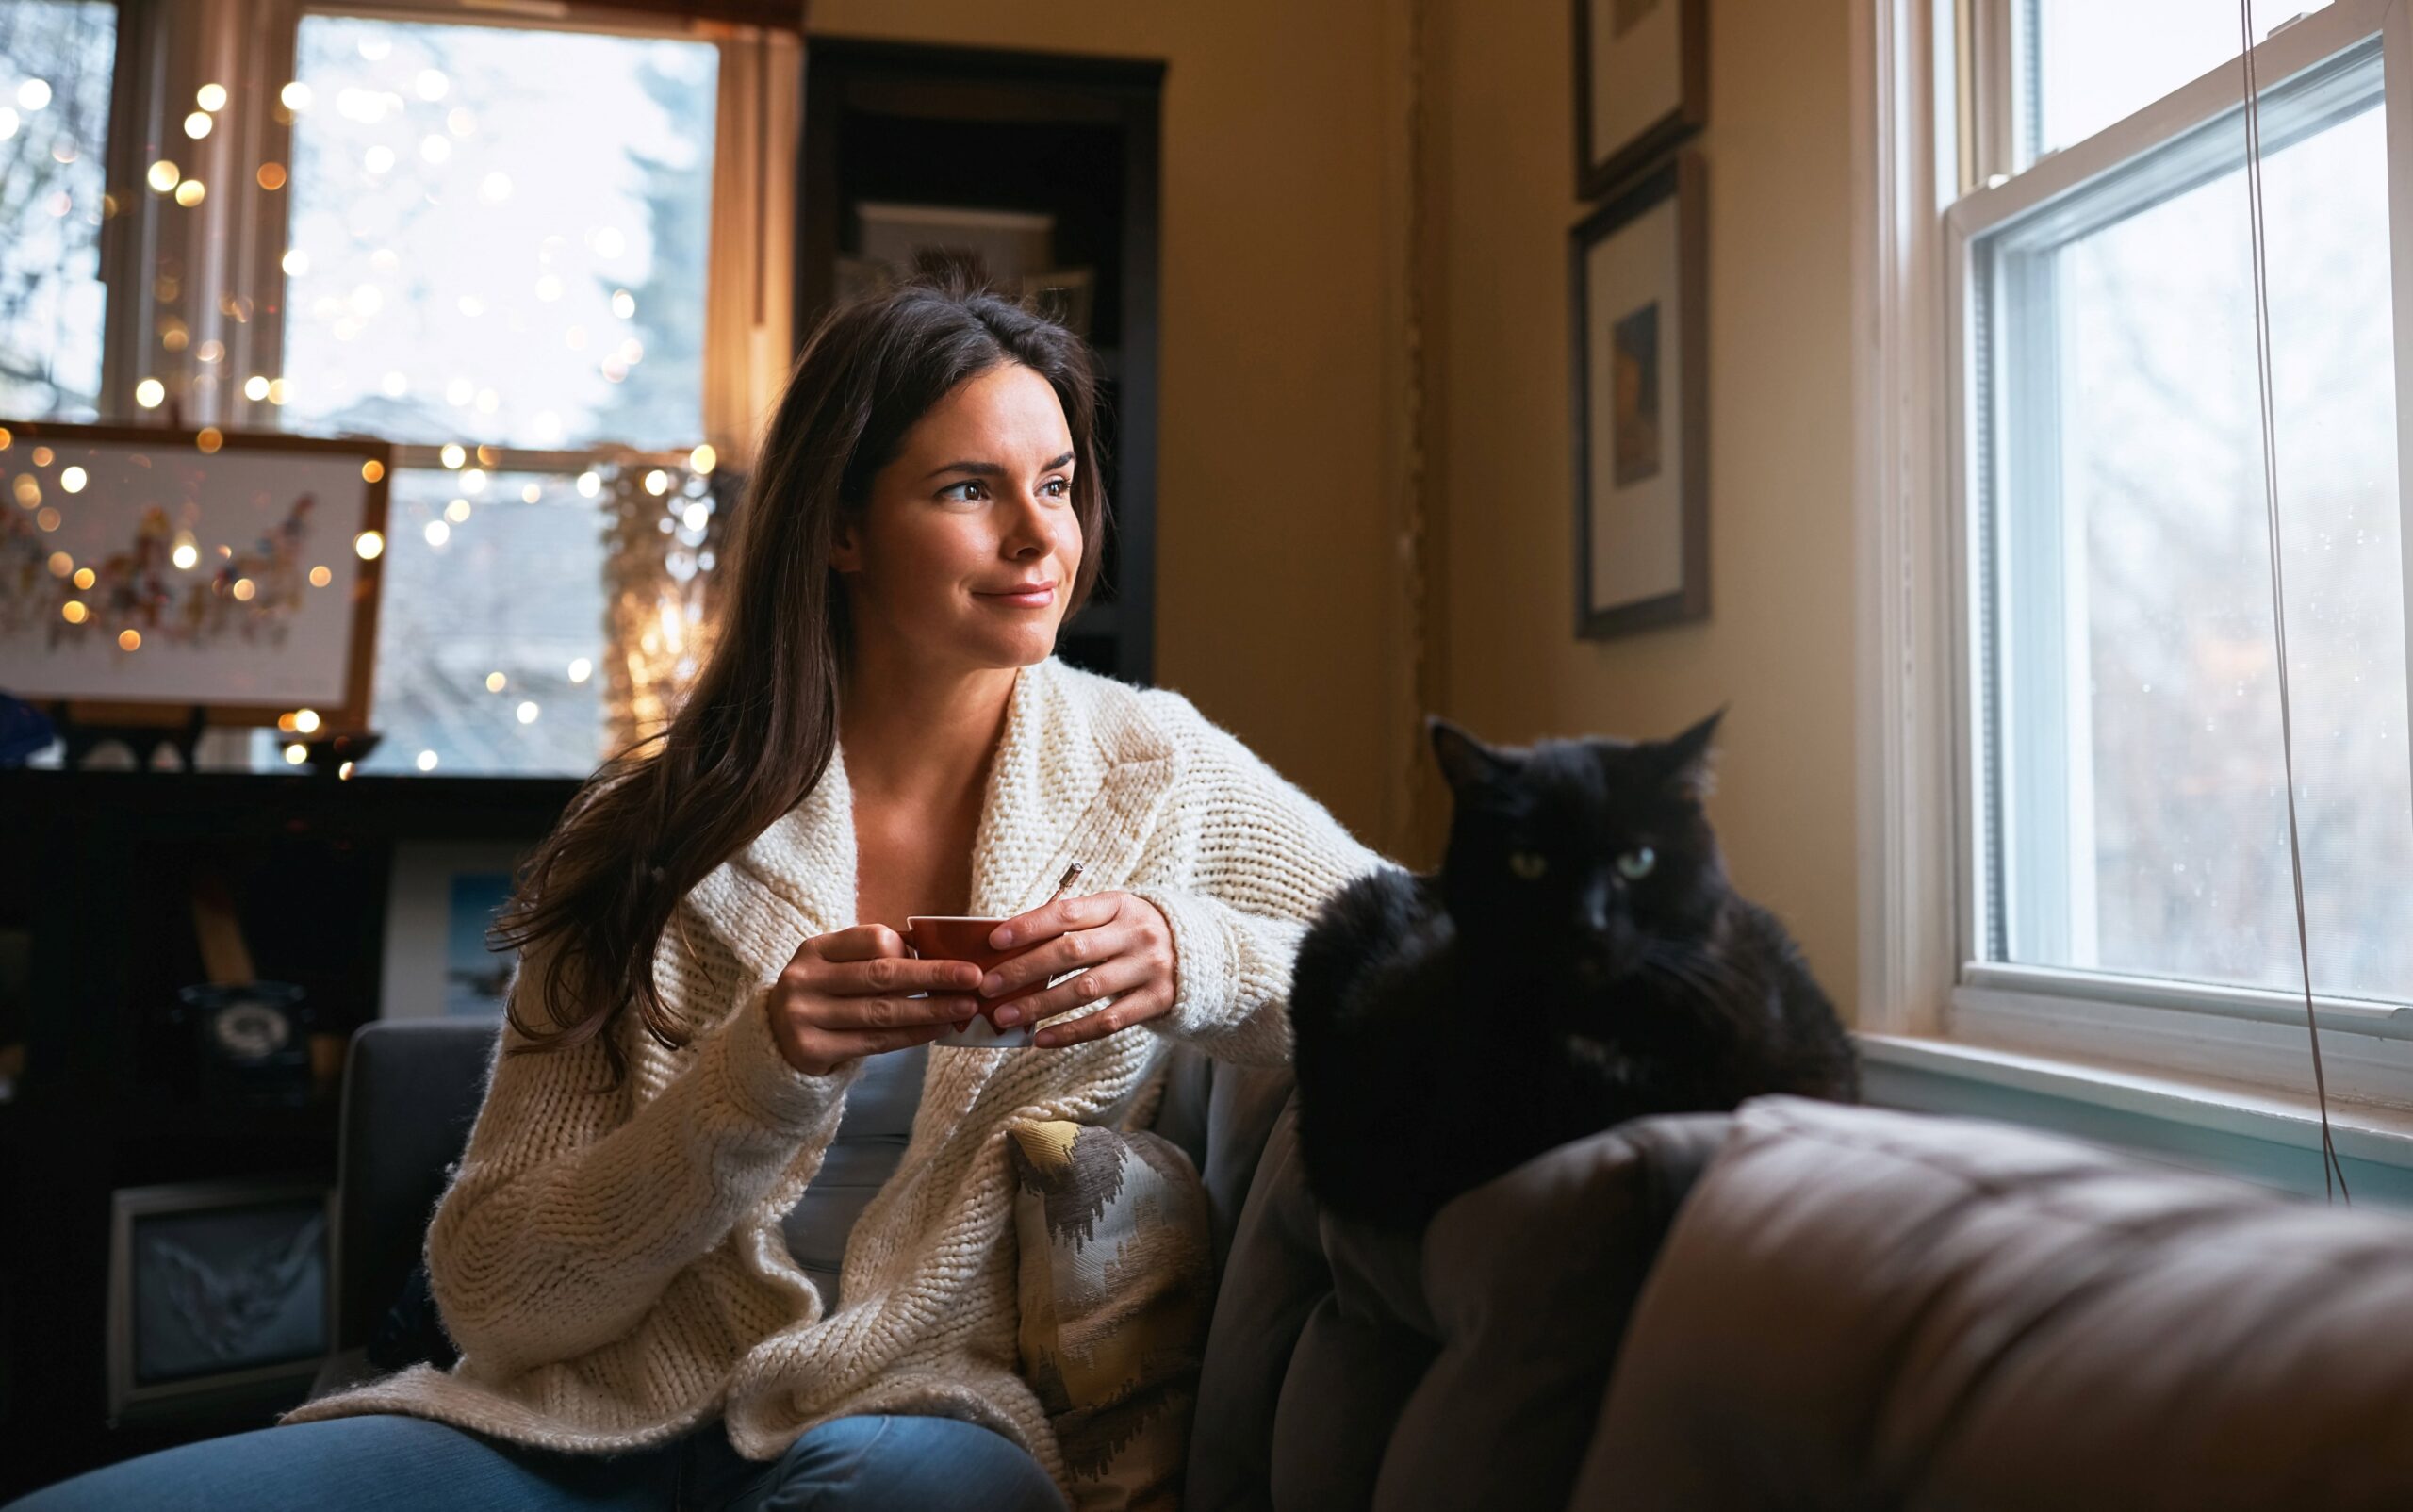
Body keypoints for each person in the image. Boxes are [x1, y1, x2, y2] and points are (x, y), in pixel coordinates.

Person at [8, 264, 1387, 1510]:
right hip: (583, 1428)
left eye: (1059, 482)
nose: (1041, 537)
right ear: (841, 530)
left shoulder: (1153, 774)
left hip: (922, 1421)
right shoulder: (647, 833)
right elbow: (493, 1290)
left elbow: (1425, 952)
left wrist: (1196, 958)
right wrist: (754, 1078)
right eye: (970, 490)